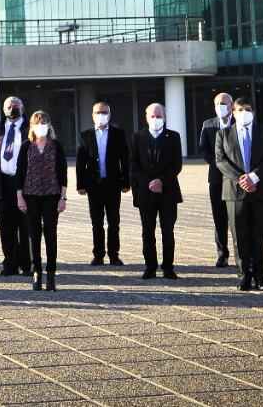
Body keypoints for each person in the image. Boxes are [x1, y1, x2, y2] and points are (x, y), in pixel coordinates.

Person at [215, 97, 263, 291]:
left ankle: (260, 276)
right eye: (240, 109)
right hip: (234, 192)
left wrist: (254, 177)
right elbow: (220, 161)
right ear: (233, 113)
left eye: (248, 109)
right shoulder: (223, 134)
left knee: (260, 235)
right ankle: (243, 275)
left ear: (253, 111)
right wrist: (242, 179)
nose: (244, 112)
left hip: (261, 190)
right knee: (239, 236)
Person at [129, 103, 183, 281]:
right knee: (147, 231)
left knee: (168, 231)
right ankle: (150, 266)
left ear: (165, 118)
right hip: (145, 192)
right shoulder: (138, 137)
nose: (155, 119)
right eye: (152, 116)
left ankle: (168, 267)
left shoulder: (173, 137)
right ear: (146, 117)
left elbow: (177, 165)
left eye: (159, 116)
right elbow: (133, 165)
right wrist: (148, 182)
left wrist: (161, 180)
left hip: (168, 192)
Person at [0, 95, 32, 276]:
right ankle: (10, 263)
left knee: (25, 227)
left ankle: (27, 264)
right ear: (3, 110)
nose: (12, 109)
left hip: (24, 185)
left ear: (22, 109)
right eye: (8, 106)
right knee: (6, 227)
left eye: (15, 106)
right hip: (1, 183)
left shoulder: (30, 128)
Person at [17, 111, 68, 290]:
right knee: (34, 235)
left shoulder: (56, 146)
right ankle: (37, 272)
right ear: (31, 125)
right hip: (30, 195)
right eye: (38, 122)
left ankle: (51, 274)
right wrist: (20, 198)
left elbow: (63, 173)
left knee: (50, 234)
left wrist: (63, 197)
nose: (41, 125)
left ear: (49, 125)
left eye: (44, 122)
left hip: (51, 195)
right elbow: (19, 174)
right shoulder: (26, 147)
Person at [76, 101, 130, 266]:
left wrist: (126, 182)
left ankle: (114, 255)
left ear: (110, 115)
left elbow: (125, 159)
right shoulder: (85, 135)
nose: (101, 115)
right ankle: (98, 255)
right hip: (94, 185)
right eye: (98, 112)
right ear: (92, 115)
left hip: (113, 184)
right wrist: (81, 184)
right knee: (96, 222)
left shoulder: (118, 134)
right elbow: (80, 162)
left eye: (104, 112)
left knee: (114, 221)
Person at [197, 92, 234, 267]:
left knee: (237, 217)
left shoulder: (239, 122)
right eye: (217, 103)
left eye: (224, 103)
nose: (221, 106)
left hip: (237, 178)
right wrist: (216, 162)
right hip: (216, 178)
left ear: (231, 105)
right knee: (219, 218)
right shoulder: (208, 125)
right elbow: (203, 148)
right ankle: (222, 254)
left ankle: (241, 253)